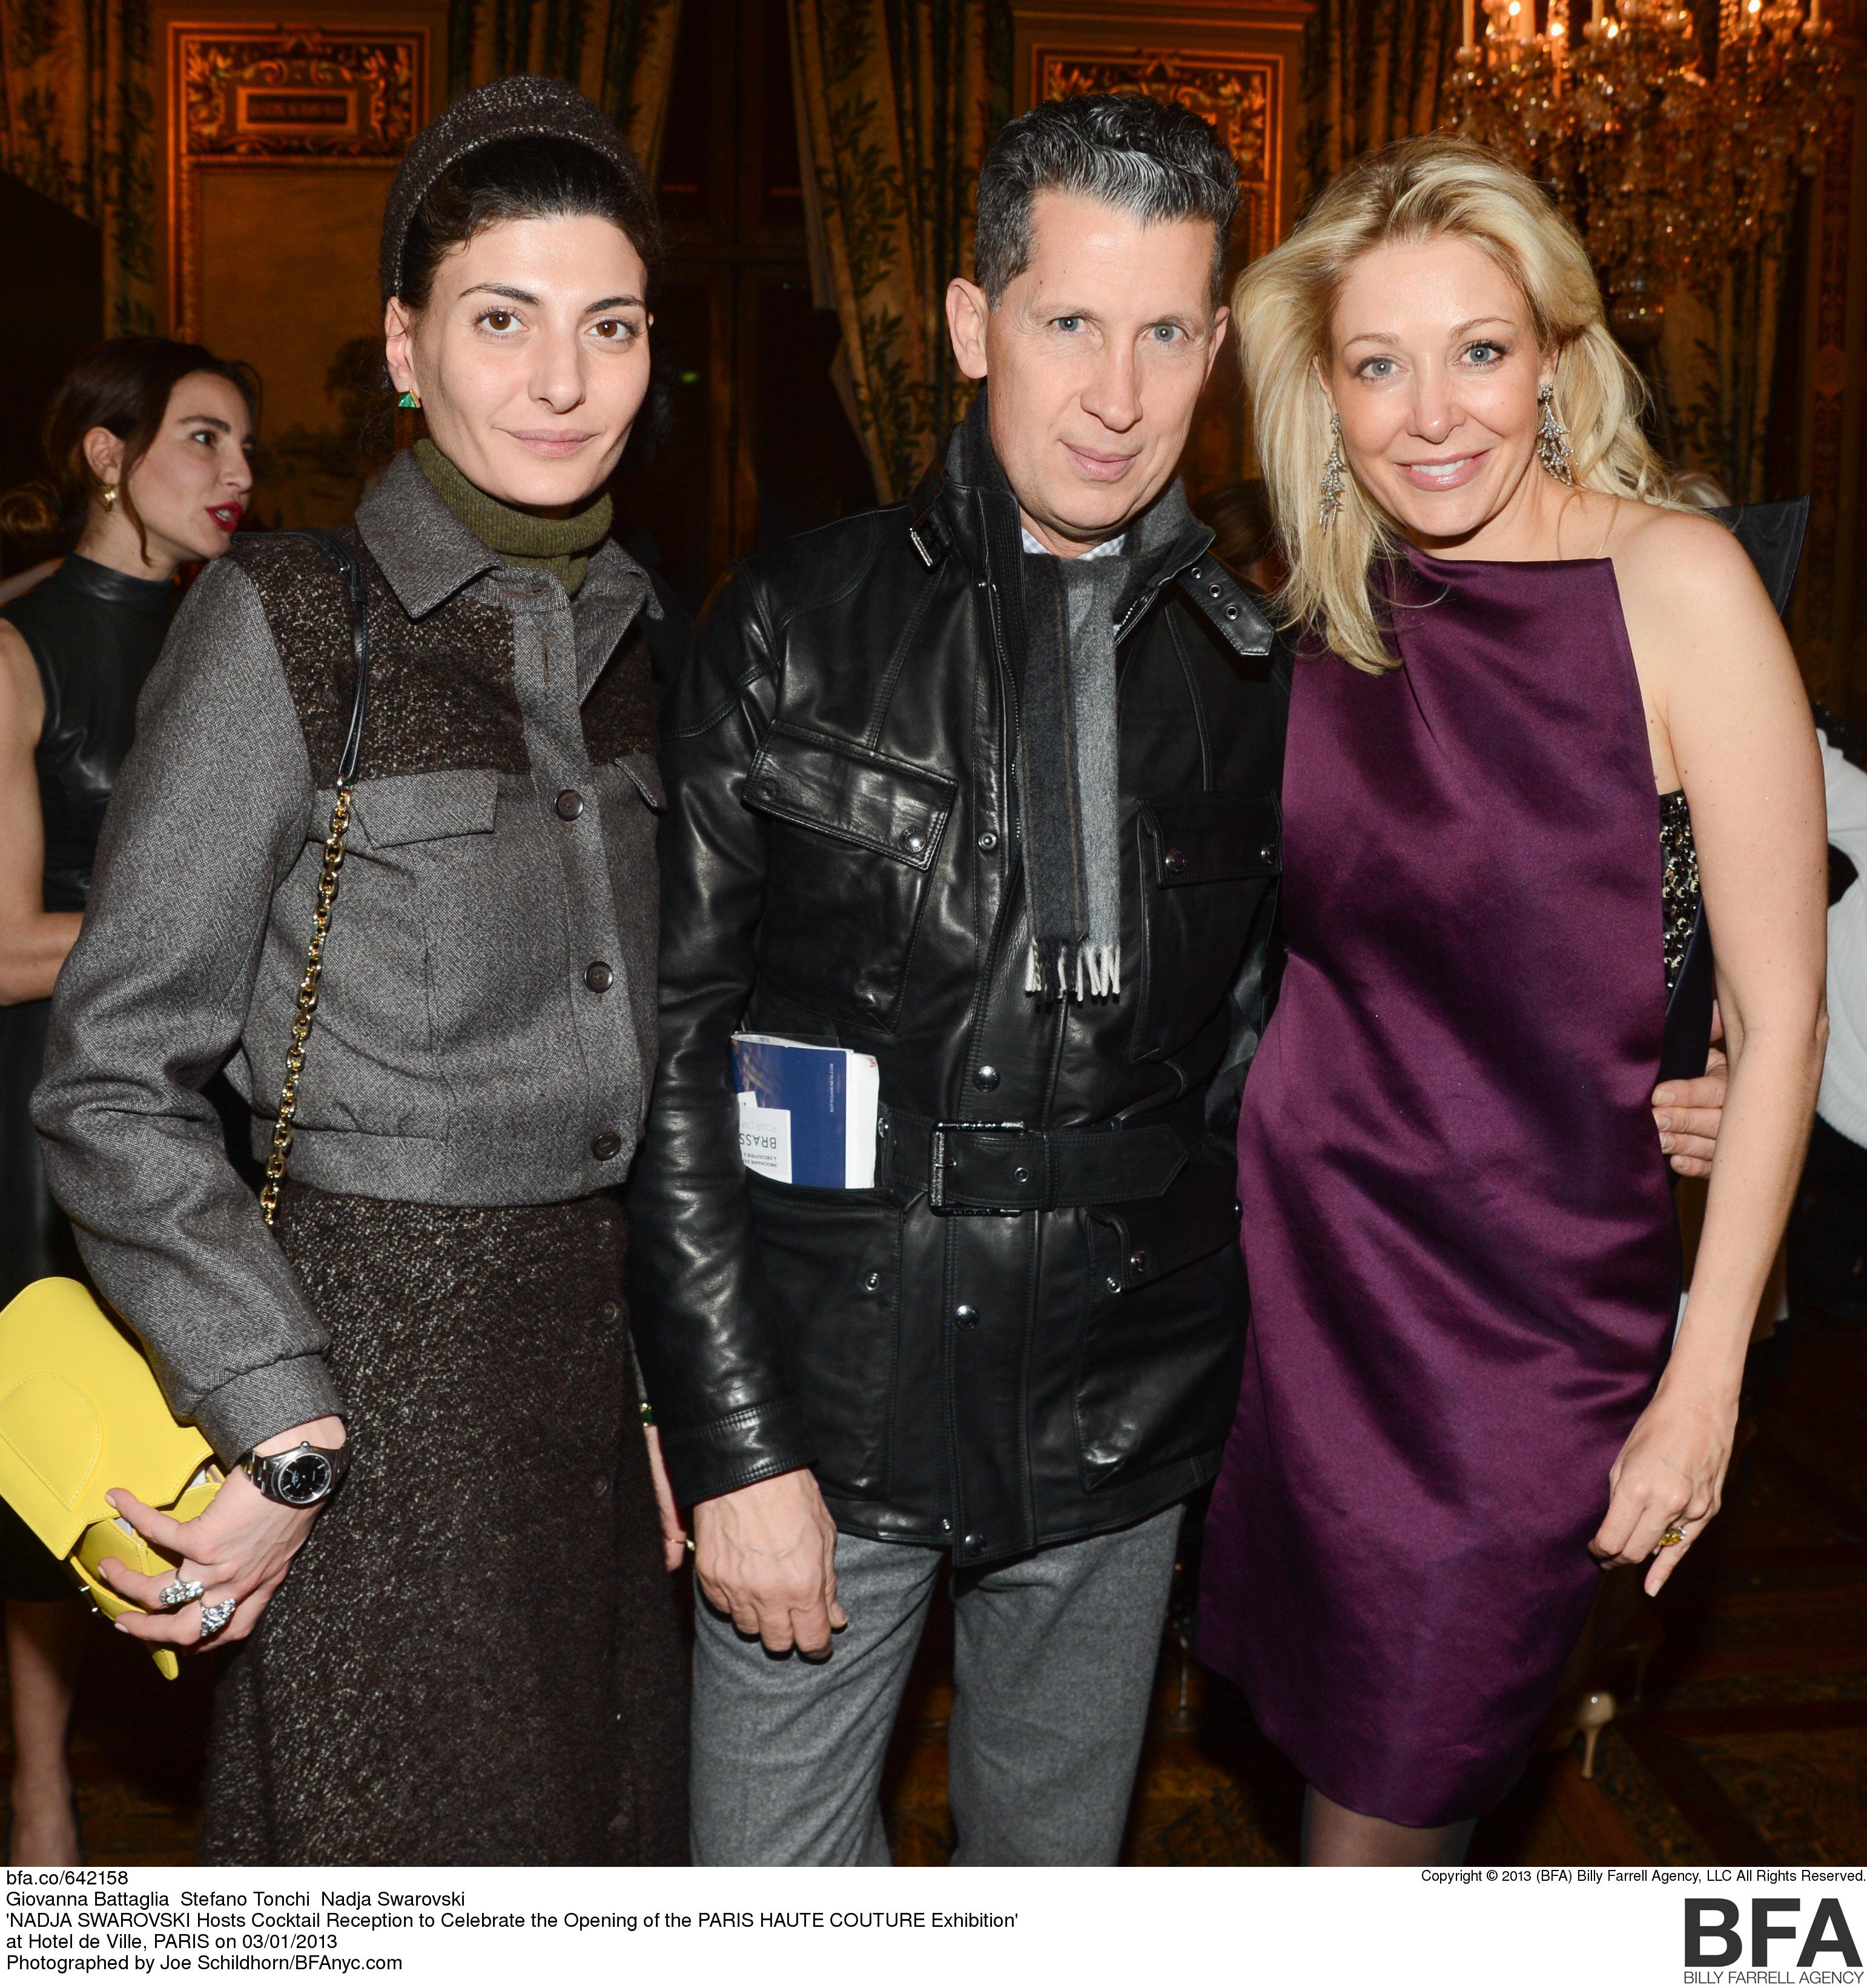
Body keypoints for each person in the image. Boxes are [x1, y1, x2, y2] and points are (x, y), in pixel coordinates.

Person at [626, 98, 1727, 1866]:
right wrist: (723, 1425)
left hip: (1122, 1414)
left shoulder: (1277, 658)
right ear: (973, 322)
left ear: (1217, 352)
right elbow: (680, 1053)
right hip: (827, 1411)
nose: (1115, 395)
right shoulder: (789, 621)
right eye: (1069, 322)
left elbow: (1424, 949)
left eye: (1162, 334)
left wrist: (1670, 1053)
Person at [33, 77, 687, 1864]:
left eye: (611, 325)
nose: (562, 381)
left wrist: (664, 1391)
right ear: (407, 347)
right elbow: (111, 1076)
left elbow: (647, 1078)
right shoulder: (292, 620)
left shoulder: (639, 638)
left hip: (590, 1390)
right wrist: (277, 1413)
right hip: (363, 1375)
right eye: (502, 320)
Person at [1196, 134, 1827, 1866]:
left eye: (1477, 350)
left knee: (1384, 1809)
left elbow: (1782, 1016)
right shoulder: (1320, 610)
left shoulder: (1675, 585)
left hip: (1535, 1325)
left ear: (1552, 354)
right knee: (1352, 1773)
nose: (1431, 416)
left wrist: (1703, 1375)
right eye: (1376, 365)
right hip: (1309, 1288)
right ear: (1322, 391)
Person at [0, 335, 257, 1863]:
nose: (240, 476)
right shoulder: (16, 643)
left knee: (219, 1421)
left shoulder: (241, 635)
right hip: (47, 1094)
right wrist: (185, 924)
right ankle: (40, 1785)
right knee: (54, 1441)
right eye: (204, 439)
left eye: (246, 447)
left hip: (213, 1087)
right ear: (108, 454)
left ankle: (243, 1777)